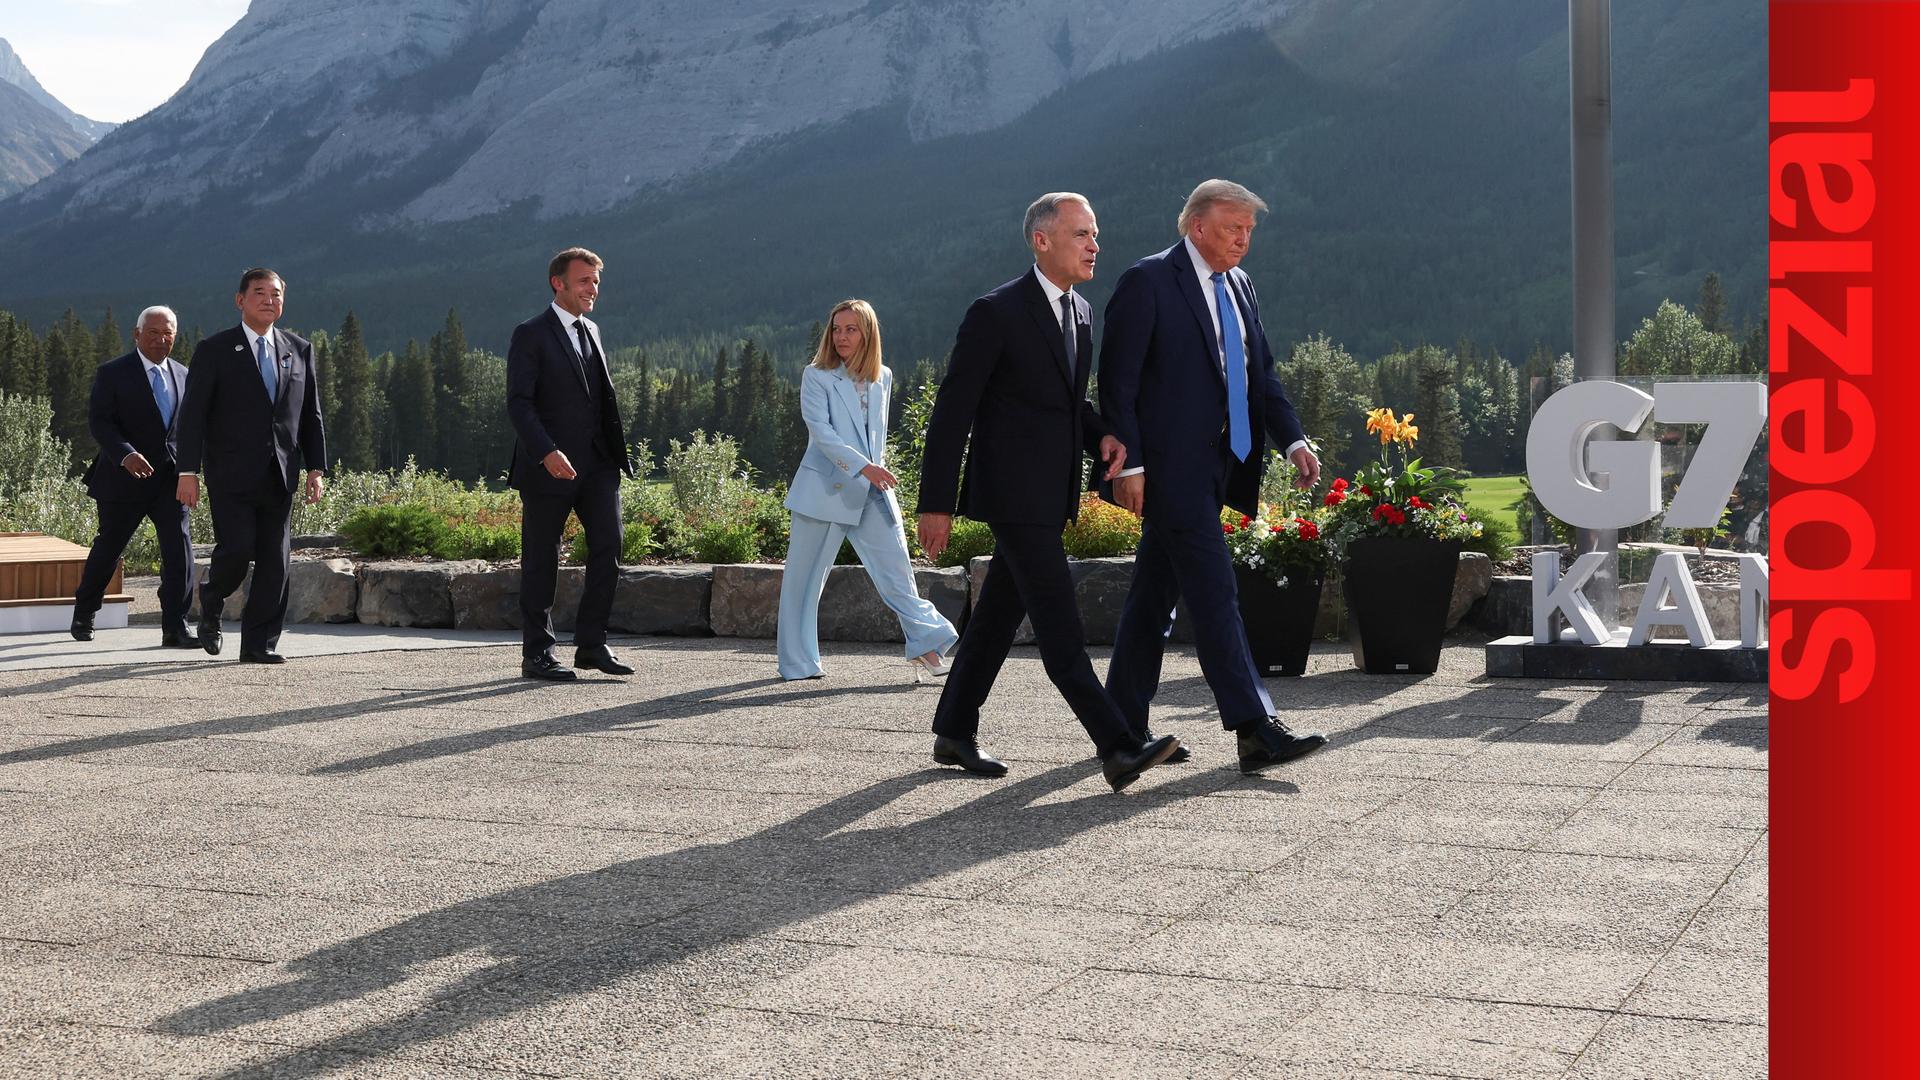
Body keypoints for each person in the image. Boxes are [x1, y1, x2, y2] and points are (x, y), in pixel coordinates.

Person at [917, 192, 1180, 793]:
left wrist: (1104, 437)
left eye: (1096, 234)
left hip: (1050, 495)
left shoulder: (1082, 313)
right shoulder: (996, 312)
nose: (1096, 245)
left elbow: (1068, 406)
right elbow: (953, 411)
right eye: (1083, 234)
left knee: (997, 617)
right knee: (1061, 626)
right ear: (1042, 240)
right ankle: (1117, 744)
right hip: (1011, 495)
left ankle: (954, 728)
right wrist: (936, 504)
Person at [1098, 179, 1328, 774]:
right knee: (1214, 589)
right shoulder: (1146, 282)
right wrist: (1133, 465)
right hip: (1168, 469)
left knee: (1154, 595)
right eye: (1233, 228)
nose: (1244, 240)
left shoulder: (1241, 286)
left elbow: (1261, 376)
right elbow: (1117, 384)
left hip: (1220, 465)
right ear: (1197, 226)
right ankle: (1255, 729)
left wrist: (1294, 439)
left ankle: (1120, 722)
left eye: (1249, 230)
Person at [777, 300, 957, 682]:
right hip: (824, 489)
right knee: (804, 581)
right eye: (837, 329)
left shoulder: (883, 377)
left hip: (872, 488)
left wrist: (872, 470)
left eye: (851, 329)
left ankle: (926, 642)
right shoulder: (817, 375)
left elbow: (876, 435)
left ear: (868, 333)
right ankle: (798, 663)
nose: (841, 336)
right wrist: (864, 467)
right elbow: (821, 433)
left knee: (896, 570)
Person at [176, 269, 326, 663]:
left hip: (281, 472)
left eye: (276, 294)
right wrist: (186, 472)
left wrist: (316, 468)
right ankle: (212, 595)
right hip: (230, 474)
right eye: (259, 292)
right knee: (238, 551)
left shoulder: (299, 349)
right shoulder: (215, 350)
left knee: (277, 562)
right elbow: (192, 416)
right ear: (239, 300)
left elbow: (309, 414)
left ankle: (259, 645)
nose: (269, 300)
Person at [506, 247, 637, 681]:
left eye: (596, 281)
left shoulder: (592, 330)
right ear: (557, 283)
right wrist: (546, 451)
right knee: (541, 559)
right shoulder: (531, 333)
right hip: (548, 467)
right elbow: (520, 403)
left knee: (609, 547)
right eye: (584, 281)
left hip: (598, 467)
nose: (592, 288)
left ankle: (591, 644)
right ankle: (537, 654)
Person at [70, 306, 197, 647]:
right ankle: (84, 611)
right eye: (153, 332)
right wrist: (124, 454)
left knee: (179, 552)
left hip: (170, 480)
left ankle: (175, 626)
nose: (161, 339)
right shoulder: (113, 373)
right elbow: (100, 422)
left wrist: (191, 472)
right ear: (137, 334)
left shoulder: (184, 375)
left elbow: (189, 430)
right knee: (109, 548)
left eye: (167, 333)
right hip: (122, 479)